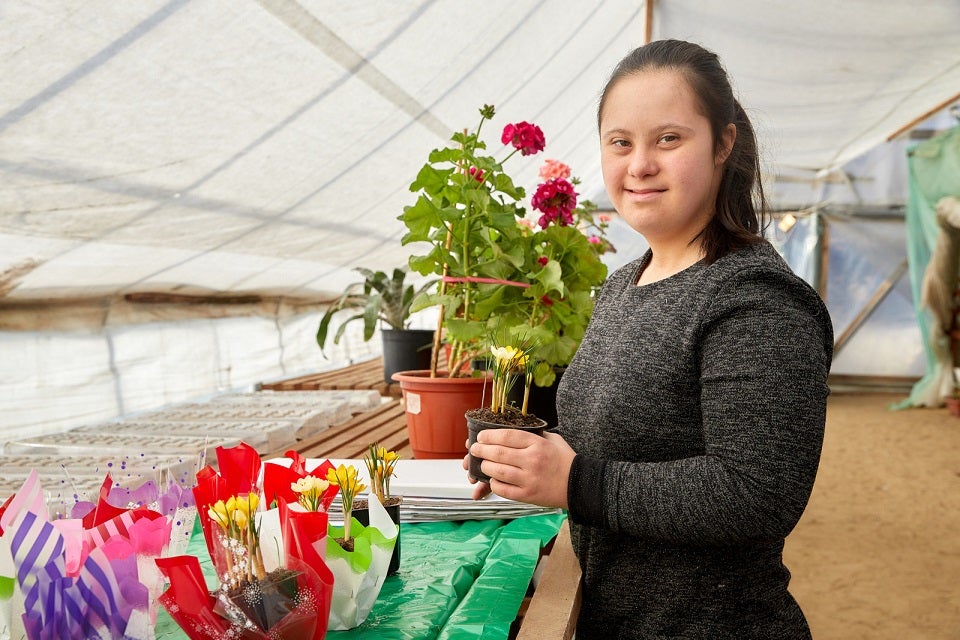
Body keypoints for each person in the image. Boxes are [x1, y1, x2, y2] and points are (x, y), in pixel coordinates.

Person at [467, 39, 833, 638]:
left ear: (723, 143)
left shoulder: (757, 301)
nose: (639, 165)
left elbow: (757, 491)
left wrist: (576, 481)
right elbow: (628, 436)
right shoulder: (623, 285)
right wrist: (527, 459)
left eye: (668, 138)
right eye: (621, 142)